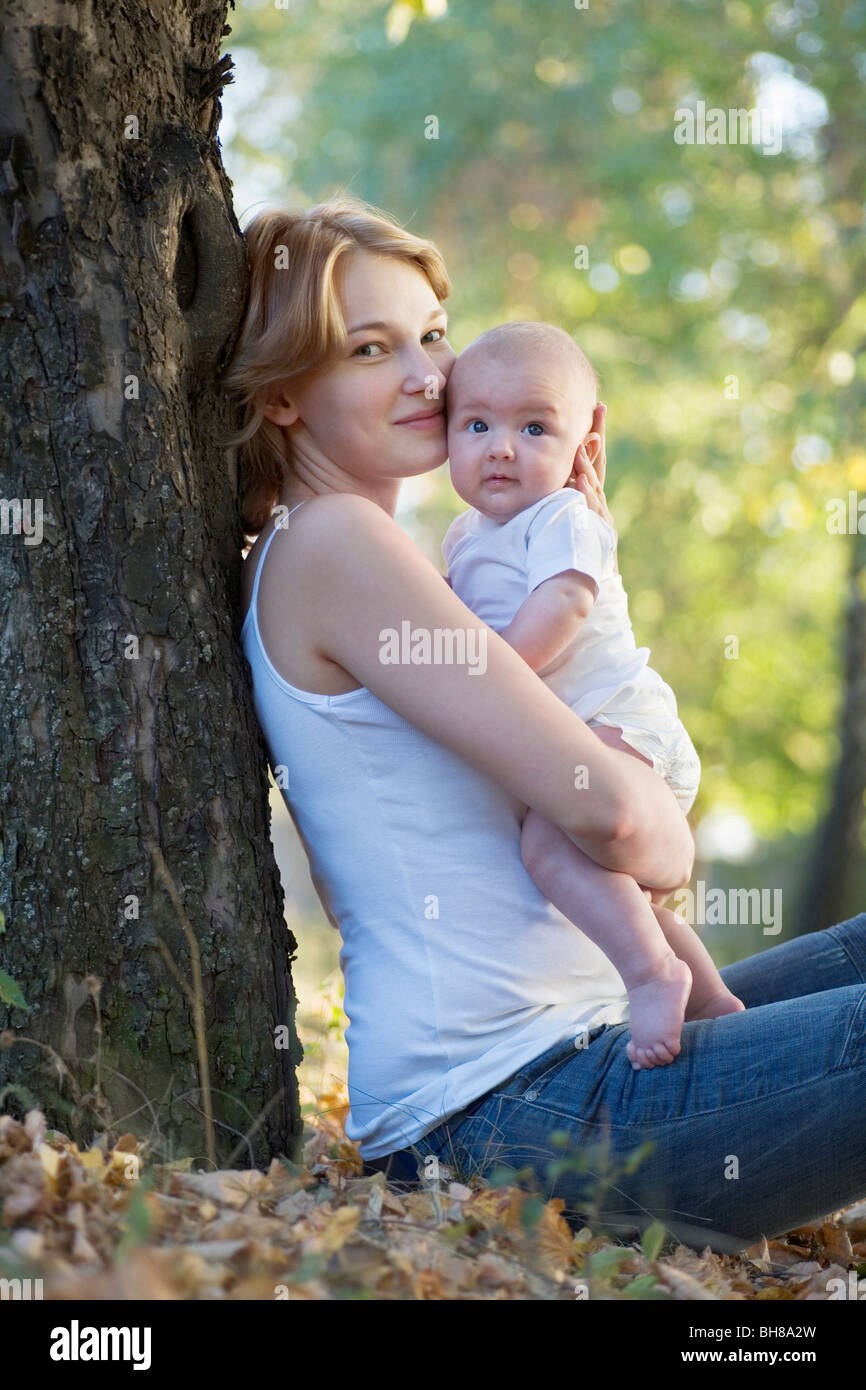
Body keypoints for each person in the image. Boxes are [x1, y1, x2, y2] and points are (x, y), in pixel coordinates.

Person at [221, 191, 866, 1253]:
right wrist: (667, 830)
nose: (426, 375)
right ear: (285, 394)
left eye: (430, 335)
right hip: (503, 1116)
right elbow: (619, 824)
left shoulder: (393, 557)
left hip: (582, 1045)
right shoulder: (336, 543)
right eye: (370, 349)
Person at [442, 320, 744, 1071]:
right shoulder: (462, 537)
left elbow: (566, 604)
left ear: (583, 449)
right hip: (582, 739)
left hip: (623, 722)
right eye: (477, 424)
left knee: (549, 843)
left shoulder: (564, 518)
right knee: (620, 898)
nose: (501, 447)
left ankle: (651, 974)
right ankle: (709, 996)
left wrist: (496, 674)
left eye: (534, 427)